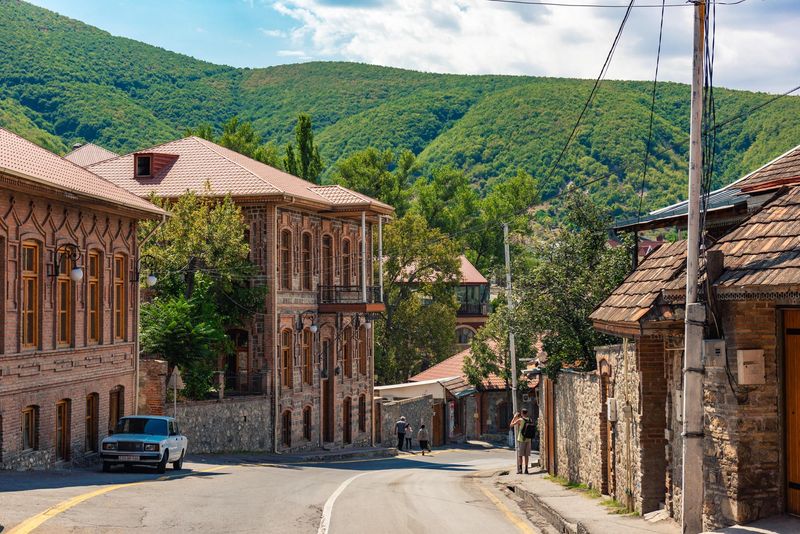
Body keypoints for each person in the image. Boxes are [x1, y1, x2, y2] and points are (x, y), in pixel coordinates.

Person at [510, 409, 533, 474]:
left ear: (522, 413)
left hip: (521, 439)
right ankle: (526, 469)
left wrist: (514, 417)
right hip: (528, 439)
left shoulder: (520, 420)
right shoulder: (530, 420)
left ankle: (520, 470)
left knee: (520, 455)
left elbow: (511, 425)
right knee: (526, 455)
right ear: (527, 413)